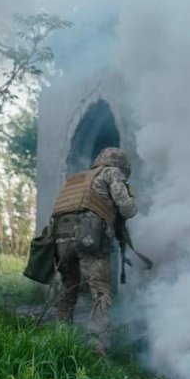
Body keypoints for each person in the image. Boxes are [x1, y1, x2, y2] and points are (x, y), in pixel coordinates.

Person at [52, 147, 137, 354]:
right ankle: (97, 345)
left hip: (60, 238)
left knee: (69, 286)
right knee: (101, 292)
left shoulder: (77, 178)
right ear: (120, 164)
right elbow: (127, 209)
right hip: (88, 236)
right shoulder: (112, 173)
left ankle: (61, 337)